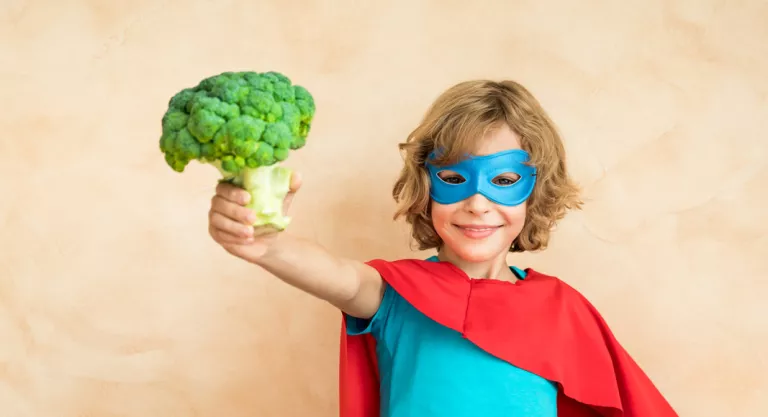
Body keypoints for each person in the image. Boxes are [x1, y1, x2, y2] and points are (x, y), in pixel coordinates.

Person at [207, 80, 678, 417]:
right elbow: (338, 276)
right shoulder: (395, 294)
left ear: (535, 192)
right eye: (454, 179)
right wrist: (267, 243)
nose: (478, 203)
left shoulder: (562, 308)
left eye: (505, 181)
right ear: (426, 187)